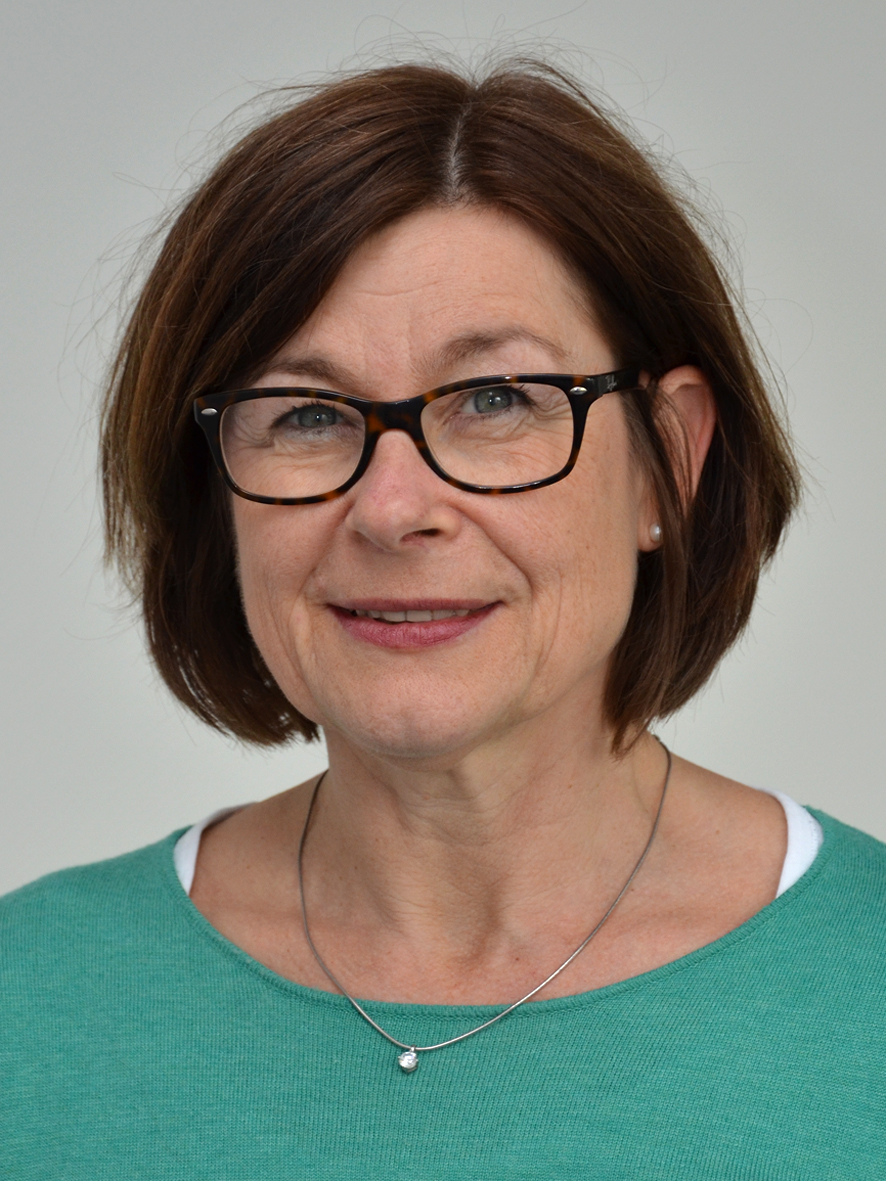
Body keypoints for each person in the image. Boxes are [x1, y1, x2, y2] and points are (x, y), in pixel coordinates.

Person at [2, 59, 884, 1178]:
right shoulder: (29, 1001)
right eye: (305, 414)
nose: (393, 508)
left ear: (667, 463)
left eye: (496, 399)